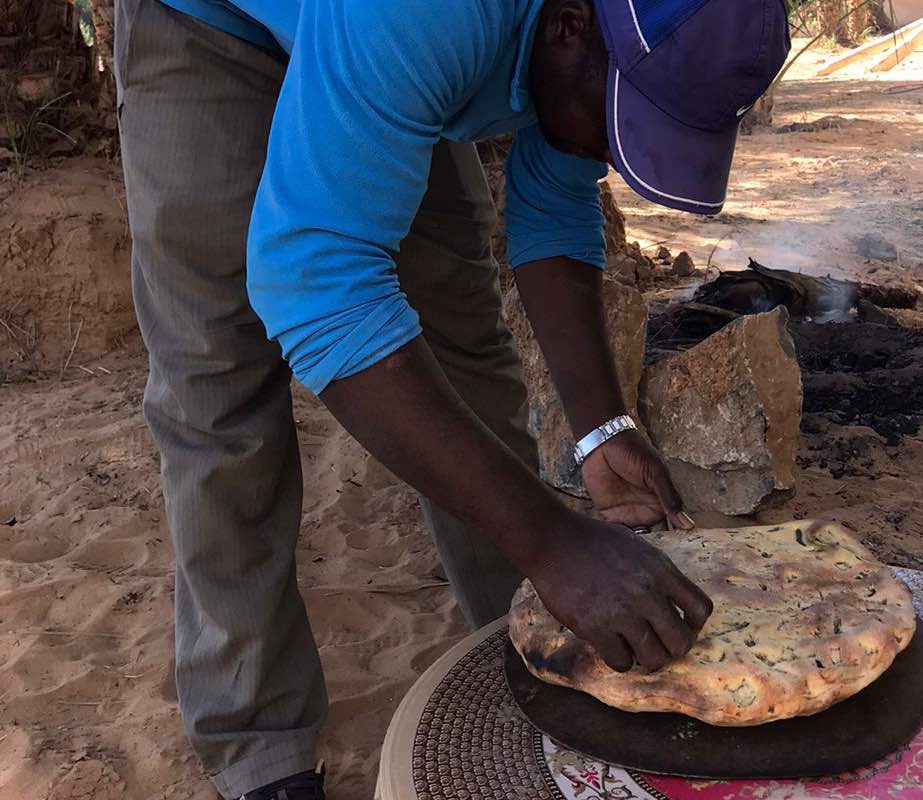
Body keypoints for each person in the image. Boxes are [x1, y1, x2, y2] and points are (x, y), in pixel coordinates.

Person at [112, 0, 789, 796]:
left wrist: (601, 429)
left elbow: (555, 201)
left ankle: (525, 647)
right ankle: (259, 747)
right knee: (219, 382)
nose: (612, 151)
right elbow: (318, 291)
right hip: (213, 25)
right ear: (570, 26)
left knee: (462, 334)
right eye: (619, 125)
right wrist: (555, 544)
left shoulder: (599, 32)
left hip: (388, 36)